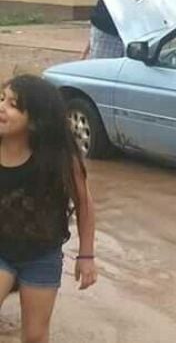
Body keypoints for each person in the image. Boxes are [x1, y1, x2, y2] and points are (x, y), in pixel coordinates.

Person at [0, 75, 97, 342]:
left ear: (34, 121)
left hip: (41, 255)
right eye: (1, 99)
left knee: (34, 336)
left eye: (12, 104)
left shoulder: (60, 159)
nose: (1, 107)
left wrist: (86, 256)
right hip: (1, 251)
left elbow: (85, 205)